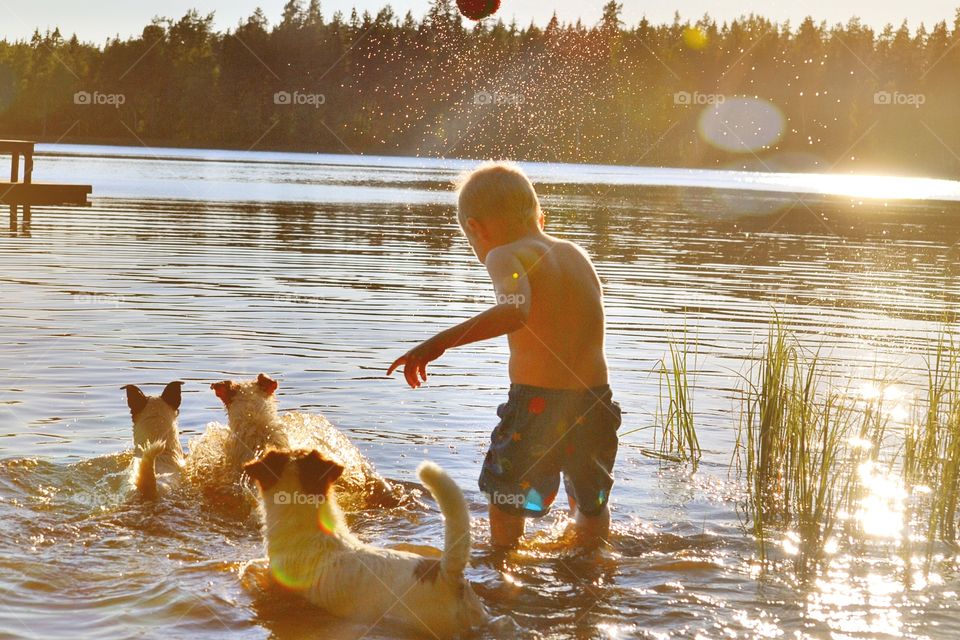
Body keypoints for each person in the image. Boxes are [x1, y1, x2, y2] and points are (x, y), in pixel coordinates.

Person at [387, 161, 621, 549]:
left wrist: (438, 342)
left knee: (506, 500)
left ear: (476, 228)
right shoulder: (575, 253)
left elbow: (515, 310)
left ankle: (503, 573)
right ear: (539, 216)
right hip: (595, 404)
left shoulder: (503, 254)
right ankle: (591, 567)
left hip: (538, 407)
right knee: (589, 502)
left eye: (470, 240)